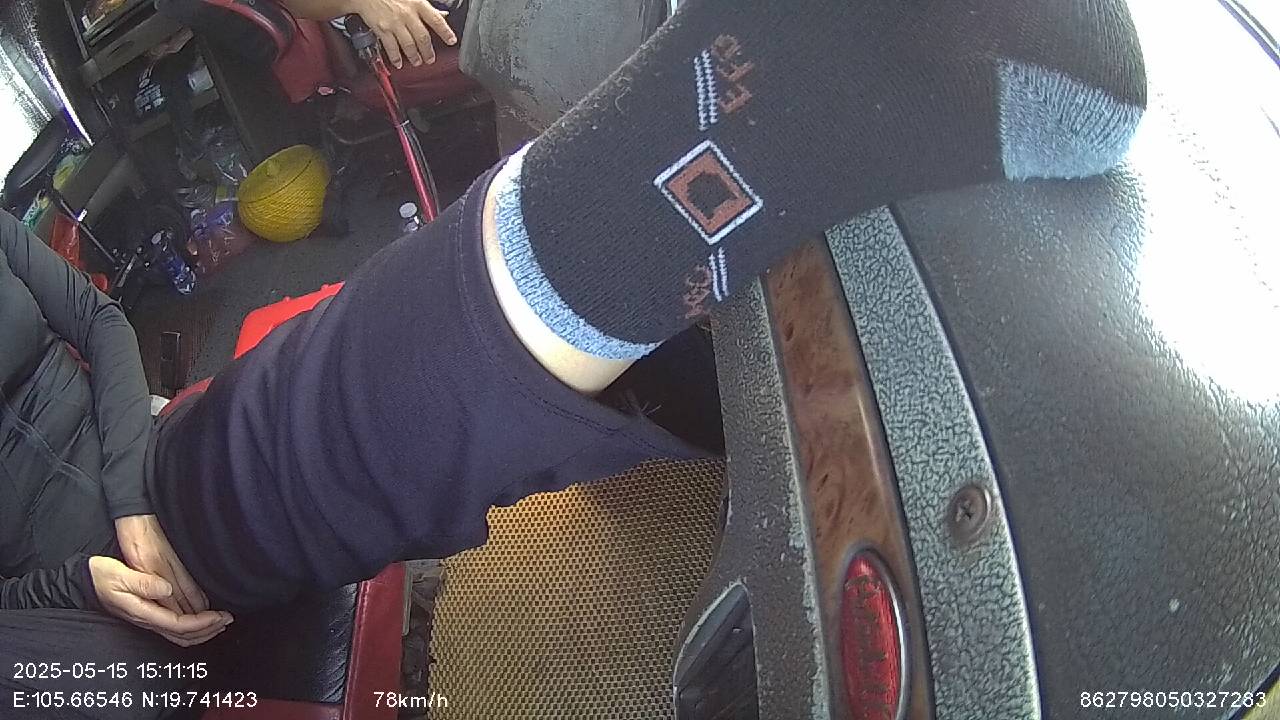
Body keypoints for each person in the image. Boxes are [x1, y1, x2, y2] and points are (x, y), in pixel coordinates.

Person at [147, 0, 1148, 611]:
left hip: (132, 450)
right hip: (128, 528)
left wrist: (115, 440)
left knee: (243, 445)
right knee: (218, 496)